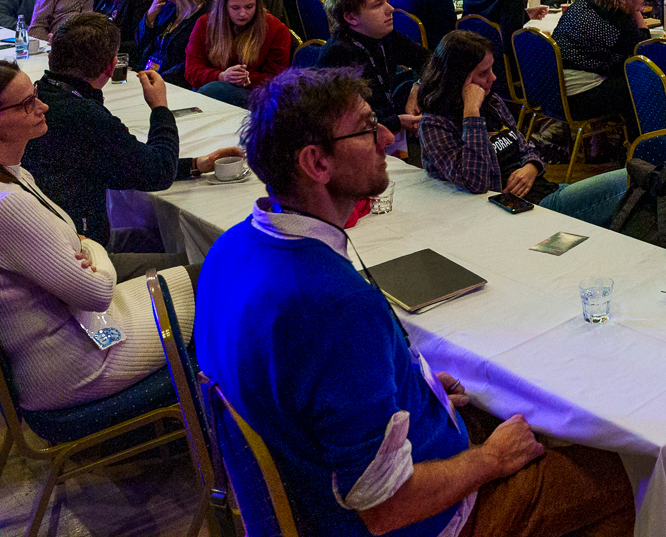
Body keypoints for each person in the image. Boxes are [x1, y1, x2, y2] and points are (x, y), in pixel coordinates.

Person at [194, 68, 636, 537]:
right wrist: (491, 459)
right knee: (622, 475)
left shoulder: (229, 249)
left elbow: (310, 390)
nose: (387, 137)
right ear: (316, 163)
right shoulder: (335, 305)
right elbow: (386, 506)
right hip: (411, 522)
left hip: (317, 491)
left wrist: (409, 385)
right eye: (367, 129)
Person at [0, 59, 204, 415]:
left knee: (205, 271)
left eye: (36, 95)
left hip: (74, 334)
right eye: (27, 103)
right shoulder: (9, 203)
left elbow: (78, 246)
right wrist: (93, 250)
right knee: (218, 283)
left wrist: (84, 249)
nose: (43, 106)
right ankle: (221, 428)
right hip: (74, 363)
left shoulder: (15, 174)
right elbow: (96, 293)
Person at [24, 12, 241, 248]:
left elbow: (125, 162)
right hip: (80, 250)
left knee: (157, 238)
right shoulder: (84, 115)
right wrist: (160, 108)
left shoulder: (41, 94)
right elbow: (157, 173)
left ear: (52, 55)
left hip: (50, 236)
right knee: (198, 250)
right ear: (111, 67)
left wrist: (195, 165)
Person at [418, 30, 630, 216]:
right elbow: (475, 181)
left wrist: (532, 167)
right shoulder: (435, 125)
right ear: (458, 79)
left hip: (547, 191)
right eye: (483, 73)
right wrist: (471, 114)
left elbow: (525, 146)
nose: (493, 78)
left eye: (491, 69)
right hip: (525, 209)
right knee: (628, 181)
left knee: (632, 198)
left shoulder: (492, 102)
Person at [317, 0, 429, 139]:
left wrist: (418, 87)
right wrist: (397, 122)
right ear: (351, 17)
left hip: (387, 128)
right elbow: (348, 123)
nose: (391, 9)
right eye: (378, 5)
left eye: (387, 1)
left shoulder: (385, 35)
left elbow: (429, 60)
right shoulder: (338, 54)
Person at [550, 0, 649, 122]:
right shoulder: (620, 22)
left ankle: (600, 136)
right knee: (642, 84)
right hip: (576, 96)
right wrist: (637, 13)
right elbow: (643, 49)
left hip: (550, 85)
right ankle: (639, 136)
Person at [184, 0, 294, 107]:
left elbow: (277, 78)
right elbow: (192, 69)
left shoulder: (276, 29)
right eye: (235, 8)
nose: (242, 13)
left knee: (215, 90)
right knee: (213, 89)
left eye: (249, 7)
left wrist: (246, 79)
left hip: (256, 95)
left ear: (258, 5)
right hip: (210, 88)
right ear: (223, 6)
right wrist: (221, 76)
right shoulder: (205, 23)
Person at [138, 0, 218, 86]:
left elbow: (192, 62)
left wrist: (161, 78)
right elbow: (141, 43)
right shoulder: (168, 6)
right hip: (150, 71)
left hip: (176, 81)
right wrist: (150, 15)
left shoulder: (209, 17)